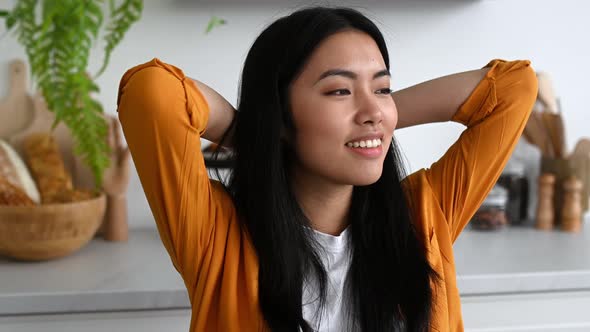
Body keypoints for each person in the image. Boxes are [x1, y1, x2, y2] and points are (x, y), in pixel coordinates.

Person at [117, 6, 537, 332]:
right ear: (281, 114)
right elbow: (154, 94)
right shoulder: (218, 236)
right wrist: (266, 132)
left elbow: (514, 88)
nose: (373, 108)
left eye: (382, 88)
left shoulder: (423, 216)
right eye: (339, 90)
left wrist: (375, 120)